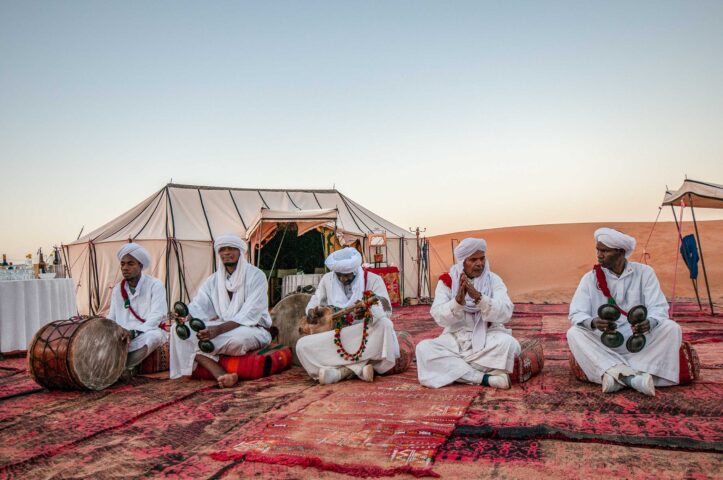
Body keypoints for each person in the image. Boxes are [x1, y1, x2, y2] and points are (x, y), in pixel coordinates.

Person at [567, 227, 682, 396]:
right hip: (604, 341)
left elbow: (659, 307)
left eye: (605, 251)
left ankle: (614, 374)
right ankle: (633, 377)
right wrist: (593, 322)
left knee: (672, 328)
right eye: (598, 250)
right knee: (574, 333)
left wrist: (648, 323)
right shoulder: (590, 278)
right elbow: (576, 313)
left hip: (639, 341)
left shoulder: (644, 273)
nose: (599, 255)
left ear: (620, 252)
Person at [169, 234, 272, 388]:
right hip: (222, 327)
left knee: (238, 341)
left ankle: (202, 358)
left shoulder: (256, 276)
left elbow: (250, 314)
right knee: (178, 330)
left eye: (231, 248)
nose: (226, 252)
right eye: (222, 249)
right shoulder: (213, 280)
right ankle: (222, 375)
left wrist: (217, 330)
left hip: (252, 328)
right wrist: (185, 316)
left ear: (240, 252)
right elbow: (199, 306)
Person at [416, 238, 519, 389]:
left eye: (482, 258)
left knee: (510, 345)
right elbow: (439, 316)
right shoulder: (447, 282)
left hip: (488, 337)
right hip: (455, 339)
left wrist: (479, 298)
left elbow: (506, 312)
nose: (479, 263)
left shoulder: (493, 280)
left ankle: (455, 369)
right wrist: (457, 302)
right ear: (462, 261)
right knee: (424, 349)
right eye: (473, 259)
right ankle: (484, 378)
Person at [295, 247, 400, 384]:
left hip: (362, 332)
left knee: (385, 325)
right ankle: (358, 368)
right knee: (302, 346)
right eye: (339, 275)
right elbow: (315, 301)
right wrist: (311, 312)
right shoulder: (327, 279)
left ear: (355, 271)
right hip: (336, 334)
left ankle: (340, 372)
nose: (343, 279)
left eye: (348, 275)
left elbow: (386, 309)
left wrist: (367, 313)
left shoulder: (373, 280)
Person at [107, 243, 168, 371]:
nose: (125, 268)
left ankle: (123, 368)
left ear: (140, 266)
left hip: (146, 331)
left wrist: (134, 332)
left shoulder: (155, 285)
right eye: (122, 264)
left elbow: (157, 316)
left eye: (130, 264)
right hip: (123, 335)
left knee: (154, 337)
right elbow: (111, 318)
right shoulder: (118, 289)